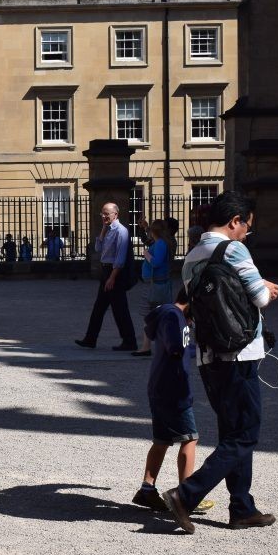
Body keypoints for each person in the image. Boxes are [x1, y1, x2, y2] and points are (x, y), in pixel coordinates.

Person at [163, 191, 278, 534]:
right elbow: (259, 297)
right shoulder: (234, 249)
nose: (247, 234)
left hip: (209, 354)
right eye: (247, 227)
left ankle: (242, 507)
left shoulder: (192, 255)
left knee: (233, 432)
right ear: (235, 221)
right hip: (240, 352)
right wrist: (268, 289)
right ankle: (186, 495)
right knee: (245, 434)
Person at [132, 288, 214, 513]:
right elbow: (175, 347)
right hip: (173, 388)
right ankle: (187, 496)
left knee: (162, 440)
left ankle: (147, 490)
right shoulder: (172, 315)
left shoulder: (171, 314)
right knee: (190, 438)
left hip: (161, 387)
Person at [75, 202, 137, 351]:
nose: (103, 216)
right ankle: (91, 339)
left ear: (115, 214)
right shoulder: (108, 230)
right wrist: (103, 230)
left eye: (106, 214)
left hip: (115, 273)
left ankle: (129, 341)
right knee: (99, 307)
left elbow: (120, 258)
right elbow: (98, 248)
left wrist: (112, 277)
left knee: (120, 309)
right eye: (102, 213)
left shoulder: (121, 231)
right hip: (106, 272)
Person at [133, 220, 173, 357]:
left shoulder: (161, 244)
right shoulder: (159, 242)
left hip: (154, 285)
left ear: (154, 232)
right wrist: (145, 227)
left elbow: (156, 263)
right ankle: (147, 346)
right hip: (153, 283)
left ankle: (148, 347)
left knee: (151, 315)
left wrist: (146, 255)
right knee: (152, 316)